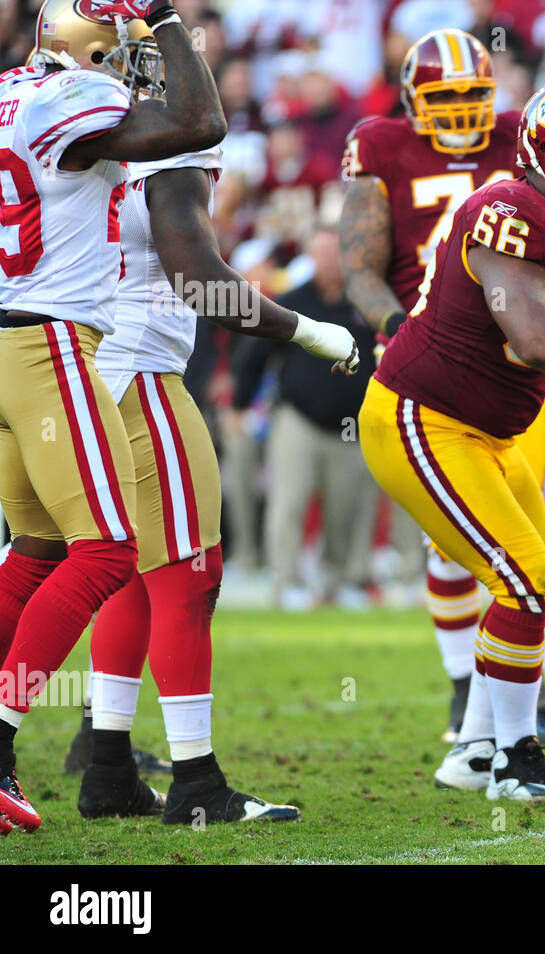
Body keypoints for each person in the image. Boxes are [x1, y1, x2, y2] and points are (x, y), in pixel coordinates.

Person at [71, 73, 356, 825]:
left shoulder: (64, 138)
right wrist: (305, 329)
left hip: (85, 368)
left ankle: (107, 769)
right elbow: (205, 285)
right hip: (139, 371)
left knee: (130, 573)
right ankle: (195, 778)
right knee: (189, 574)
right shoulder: (170, 150)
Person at [358, 78, 545, 802]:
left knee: (527, 585)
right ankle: (514, 761)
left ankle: (475, 752)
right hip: (423, 416)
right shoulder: (507, 209)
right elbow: (540, 340)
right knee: (526, 582)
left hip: (493, 430)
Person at [0, 0, 228, 834]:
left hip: (12, 344)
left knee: (35, 554)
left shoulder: (13, 95)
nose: (134, 71)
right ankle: (5, 740)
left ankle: (103, 761)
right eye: (121, 54)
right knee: (109, 554)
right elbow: (199, 119)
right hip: (59, 346)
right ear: (91, 51)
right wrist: (164, 16)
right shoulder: (74, 105)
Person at [340, 28, 541, 745]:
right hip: (429, 356)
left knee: (527, 532)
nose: (461, 111)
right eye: (446, 96)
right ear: (411, 99)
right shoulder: (382, 145)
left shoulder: (522, 134)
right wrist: (395, 322)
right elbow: (359, 265)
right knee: (452, 540)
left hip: (519, 358)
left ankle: (514, 693)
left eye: (473, 95)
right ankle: (467, 687)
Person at [234, 229, 374, 611]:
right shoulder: (293, 301)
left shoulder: (365, 302)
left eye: (335, 253)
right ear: (312, 258)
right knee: (289, 502)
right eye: (322, 254)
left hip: (352, 423)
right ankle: (287, 581)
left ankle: (339, 580)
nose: (329, 262)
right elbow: (256, 352)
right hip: (298, 416)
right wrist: (241, 403)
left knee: (346, 506)